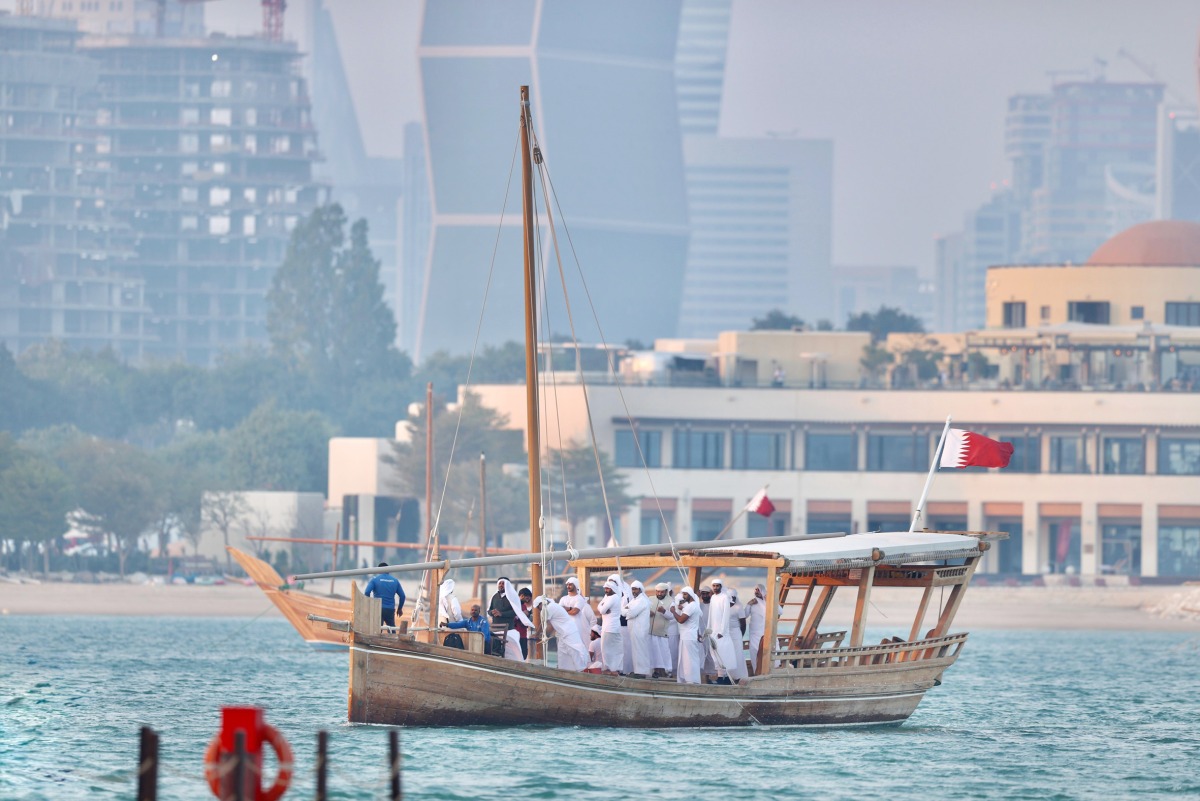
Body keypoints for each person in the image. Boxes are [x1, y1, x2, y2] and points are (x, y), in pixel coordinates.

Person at [532, 596, 587, 672]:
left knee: (575, 652)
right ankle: (565, 673)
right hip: (562, 635)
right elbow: (550, 626)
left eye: (538, 608)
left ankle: (582, 672)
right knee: (563, 657)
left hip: (569, 633)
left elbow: (543, 623)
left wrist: (536, 634)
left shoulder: (550, 608)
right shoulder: (554, 606)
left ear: (541, 604)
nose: (539, 610)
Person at [707, 578, 737, 685]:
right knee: (715, 654)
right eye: (713, 586)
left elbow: (726, 615)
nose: (715, 588)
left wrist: (722, 631)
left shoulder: (725, 597)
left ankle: (727, 678)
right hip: (713, 631)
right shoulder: (713, 597)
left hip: (721, 632)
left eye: (717, 586)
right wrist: (708, 628)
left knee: (724, 654)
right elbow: (710, 614)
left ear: (721, 586)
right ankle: (720, 677)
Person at [672, 587, 703, 685]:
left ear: (690, 594)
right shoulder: (691, 606)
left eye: (685, 594)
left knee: (690, 659)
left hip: (688, 637)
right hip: (687, 636)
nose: (683, 596)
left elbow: (681, 620)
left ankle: (692, 680)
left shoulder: (691, 606)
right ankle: (687, 679)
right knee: (685, 659)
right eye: (683, 594)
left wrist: (673, 611)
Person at [621, 579, 651, 678]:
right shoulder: (635, 600)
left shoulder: (642, 600)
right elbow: (624, 610)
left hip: (640, 630)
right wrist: (626, 611)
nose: (633, 591)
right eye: (632, 589)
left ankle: (642, 672)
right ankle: (637, 671)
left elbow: (630, 613)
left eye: (635, 589)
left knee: (640, 651)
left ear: (640, 589)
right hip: (634, 630)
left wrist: (626, 611)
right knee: (635, 651)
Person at [363, 562, 406, 629]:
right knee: (392, 630)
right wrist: (399, 609)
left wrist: (369, 604)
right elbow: (402, 596)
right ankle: (394, 638)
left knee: (377, 630)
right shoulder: (395, 581)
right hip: (390, 609)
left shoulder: (374, 580)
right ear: (388, 570)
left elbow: (367, 592)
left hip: (378, 608)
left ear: (378, 570)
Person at [596, 576, 624, 674]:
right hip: (611, 628)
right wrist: (602, 608)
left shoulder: (613, 597)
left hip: (610, 628)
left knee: (608, 649)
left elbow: (602, 609)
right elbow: (599, 607)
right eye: (605, 588)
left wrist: (602, 608)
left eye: (607, 588)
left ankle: (611, 670)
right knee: (611, 649)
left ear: (612, 588)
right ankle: (612, 669)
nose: (606, 590)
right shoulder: (608, 597)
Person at [559, 576, 595, 648]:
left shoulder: (581, 600)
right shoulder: (563, 599)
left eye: (570, 584)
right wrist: (570, 608)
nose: (568, 586)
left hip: (578, 630)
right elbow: (559, 611)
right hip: (566, 628)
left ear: (575, 586)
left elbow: (574, 612)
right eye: (567, 584)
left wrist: (565, 610)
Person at [648, 583, 674, 678]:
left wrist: (663, 611)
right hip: (649, 632)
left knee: (661, 654)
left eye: (662, 592)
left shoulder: (671, 601)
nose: (659, 594)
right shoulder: (650, 599)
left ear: (666, 592)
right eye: (658, 591)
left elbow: (671, 616)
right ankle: (652, 672)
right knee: (651, 653)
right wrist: (648, 613)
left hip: (661, 633)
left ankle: (663, 672)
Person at [725, 587, 748, 681]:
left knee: (738, 655)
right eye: (731, 597)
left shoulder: (738, 607)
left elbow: (743, 624)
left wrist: (740, 636)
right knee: (727, 654)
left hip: (736, 633)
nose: (733, 599)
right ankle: (728, 676)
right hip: (726, 633)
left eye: (734, 597)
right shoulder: (724, 606)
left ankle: (739, 676)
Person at [745, 583, 767, 673]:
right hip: (754, 633)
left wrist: (769, 600)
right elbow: (745, 615)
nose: (756, 592)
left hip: (765, 632)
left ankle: (766, 672)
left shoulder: (768, 602)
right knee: (754, 652)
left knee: (766, 653)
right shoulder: (753, 602)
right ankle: (756, 672)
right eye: (755, 590)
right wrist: (748, 604)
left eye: (758, 590)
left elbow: (780, 611)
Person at [697, 586, 715, 681]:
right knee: (701, 654)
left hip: (712, 633)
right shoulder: (698, 605)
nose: (704, 595)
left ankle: (710, 677)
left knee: (710, 655)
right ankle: (702, 678)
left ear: (710, 594)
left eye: (706, 593)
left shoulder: (714, 605)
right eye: (702, 594)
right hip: (700, 634)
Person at [515, 587, 534, 659]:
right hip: (517, 634)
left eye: (529, 597)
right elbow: (512, 617)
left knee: (524, 654)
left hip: (523, 634)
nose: (528, 599)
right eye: (527, 597)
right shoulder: (515, 605)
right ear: (522, 595)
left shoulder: (524, 606)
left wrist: (528, 615)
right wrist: (522, 615)